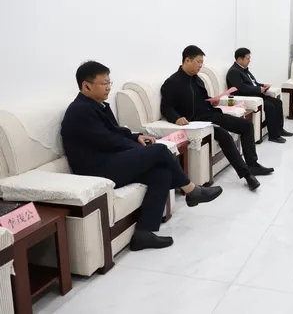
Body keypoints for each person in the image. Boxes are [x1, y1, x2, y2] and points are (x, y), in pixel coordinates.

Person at [61, 61, 223, 251]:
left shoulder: (96, 106)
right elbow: (107, 141)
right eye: (103, 83)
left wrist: (136, 137)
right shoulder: (80, 111)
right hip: (96, 168)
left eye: (109, 82)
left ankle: (143, 234)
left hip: (109, 159)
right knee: (160, 151)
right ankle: (192, 191)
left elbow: (115, 131)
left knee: (161, 173)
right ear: (86, 86)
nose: (108, 87)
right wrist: (139, 149)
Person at [160, 45, 274, 192]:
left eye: (202, 62)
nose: (200, 66)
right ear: (187, 60)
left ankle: (253, 164)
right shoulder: (172, 82)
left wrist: (212, 101)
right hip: (197, 122)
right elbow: (166, 107)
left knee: (246, 125)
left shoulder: (197, 79)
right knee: (224, 136)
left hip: (211, 114)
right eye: (198, 62)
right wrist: (177, 118)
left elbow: (202, 98)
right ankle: (247, 175)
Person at [226, 47, 293, 144]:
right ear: (239, 59)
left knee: (278, 102)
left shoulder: (244, 69)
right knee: (270, 106)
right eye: (247, 59)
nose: (249, 61)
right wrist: (258, 89)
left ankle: (280, 129)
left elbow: (253, 83)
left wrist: (263, 86)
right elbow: (241, 88)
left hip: (255, 94)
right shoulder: (234, 72)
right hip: (247, 97)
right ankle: (273, 135)